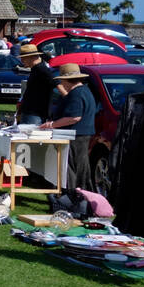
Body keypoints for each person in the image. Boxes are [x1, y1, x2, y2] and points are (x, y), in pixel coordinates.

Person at [41, 63, 97, 191]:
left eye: (62, 80)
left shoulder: (76, 94)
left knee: (70, 165)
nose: (62, 83)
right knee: (79, 165)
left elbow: (74, 117)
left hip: (75, 135)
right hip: (81, 134)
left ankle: (71, 193)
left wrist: (52, 125)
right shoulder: (84, 91)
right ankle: (78, 192)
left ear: (66, 80)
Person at [16, 43, 55, 125]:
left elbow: (56, 82)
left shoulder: (42, 69)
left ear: (32, 57)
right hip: (29, 112)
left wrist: (66, 94)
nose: (22, 61)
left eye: (23, 58)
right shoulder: (35, 69)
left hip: (35, 114)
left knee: (30, 137)